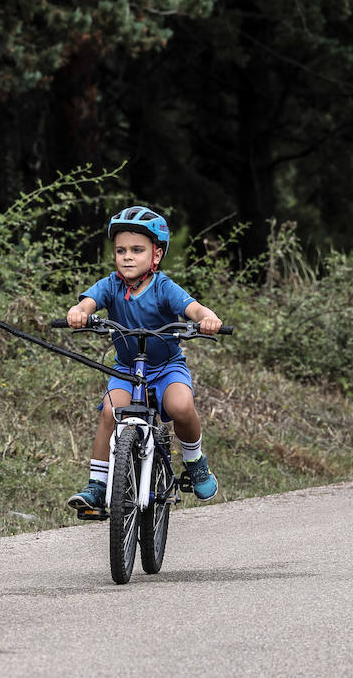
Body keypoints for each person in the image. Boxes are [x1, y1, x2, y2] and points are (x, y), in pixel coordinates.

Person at [64, 205, 225, 514]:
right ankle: (97, 485)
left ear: (156, 255)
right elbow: (88, 302)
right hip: (126, 369)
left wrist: (208, 318)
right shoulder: (111, 285)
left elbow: (194, 309)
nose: (127, 256)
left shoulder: (163, 287)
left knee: (181, 406)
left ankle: (195, 460)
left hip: (166, 368)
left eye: (137, 250)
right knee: (111, 411)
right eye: (121, 249)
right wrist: (80, 312)